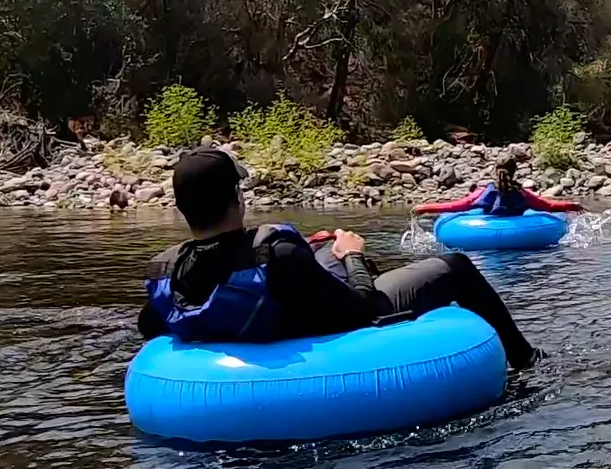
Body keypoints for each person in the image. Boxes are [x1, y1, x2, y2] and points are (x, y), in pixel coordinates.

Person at [137, 146, 544, 369]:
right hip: (319, 332)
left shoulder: (167, 269)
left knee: (320, 251)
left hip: (261, 323)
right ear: (237, 199)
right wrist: (353, 257)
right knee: (455, 266)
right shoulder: (274, 251)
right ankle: (526, 360)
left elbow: (151, 325)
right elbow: (361, 309)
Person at [412, 155, 584, 216]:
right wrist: (573, 205)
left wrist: (426, 207)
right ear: (515, 171)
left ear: (495, 170)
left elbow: (456, 206)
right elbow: (549, 206)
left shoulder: (483, 192)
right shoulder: (522, 193)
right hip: (522, 234)